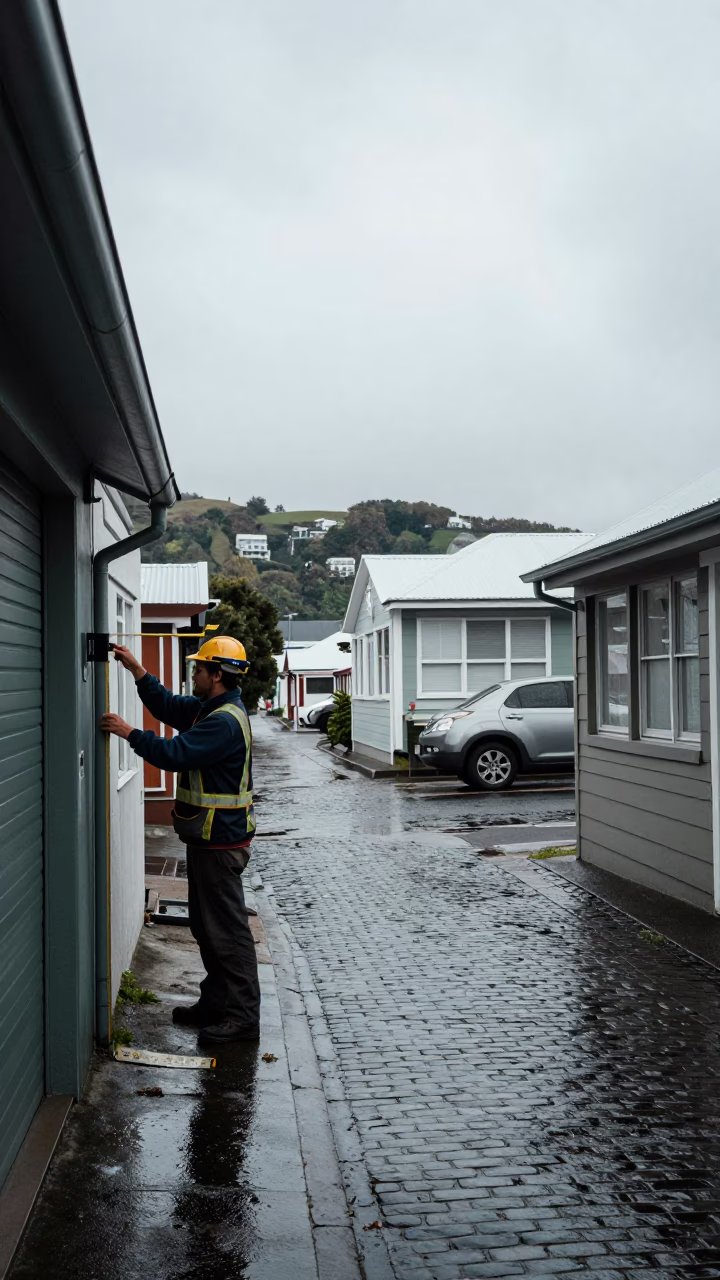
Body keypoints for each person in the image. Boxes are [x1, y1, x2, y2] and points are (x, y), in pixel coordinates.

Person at [100, 636, 260, 1046]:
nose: (194, 674)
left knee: (227, 932)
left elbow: (174, 753)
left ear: (217, 674)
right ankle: (216, 1004)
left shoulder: (222, 722)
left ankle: (242, 1018)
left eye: (199, 669)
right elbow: (169, 706)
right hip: (209, 838)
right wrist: (136, 670)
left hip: (220, 842)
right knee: (207, 929)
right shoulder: (211, 709)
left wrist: (127, 732)